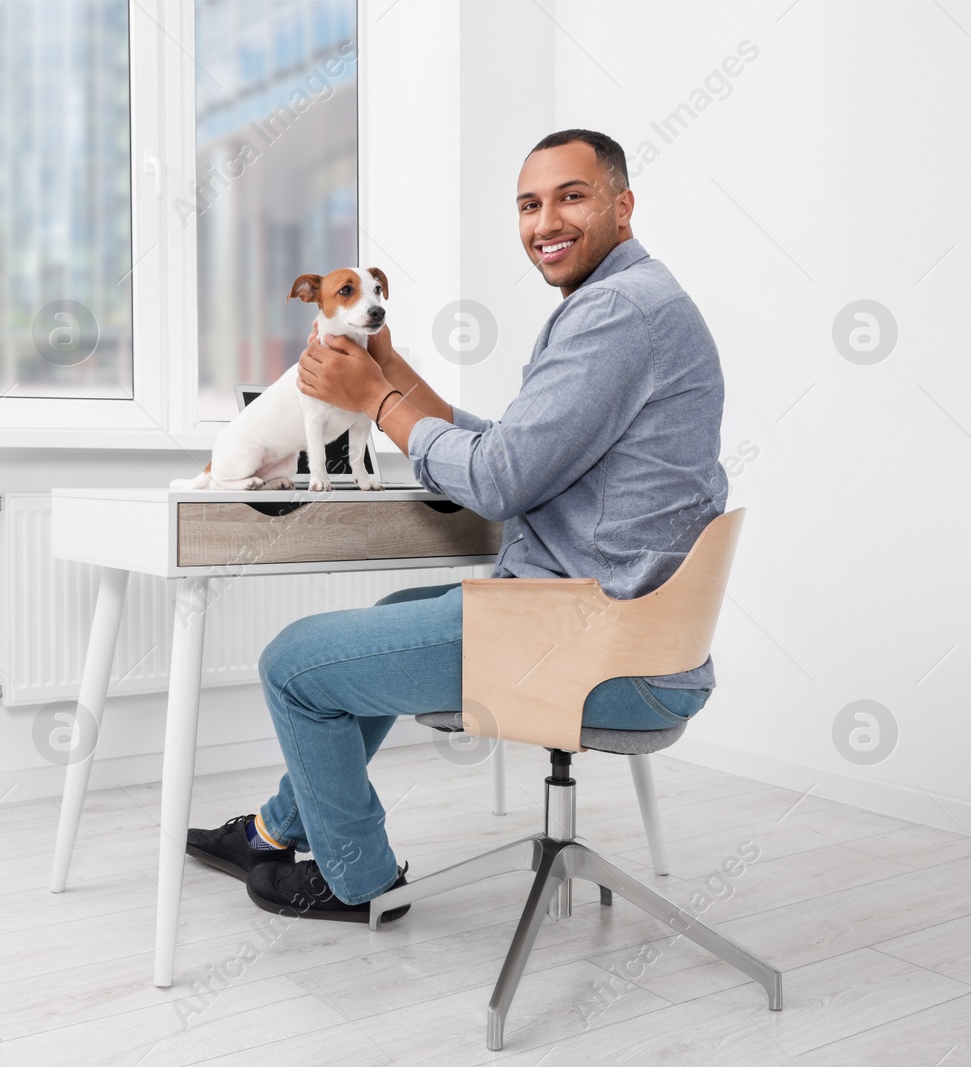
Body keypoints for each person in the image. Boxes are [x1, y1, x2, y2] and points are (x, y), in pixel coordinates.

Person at [187, 128, 729, 924]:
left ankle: (355, 880)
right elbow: (519, 448)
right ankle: (276, 829)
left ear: (623, 204)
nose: (546, 220)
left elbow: (499, 480)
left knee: (292, 665)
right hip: (640, 639)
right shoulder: (634, 303)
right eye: (529, 204)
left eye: (571, 196)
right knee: (387, 618)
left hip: (590, 647)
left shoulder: (615, 313)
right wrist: (391, 371)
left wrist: (374, 402)